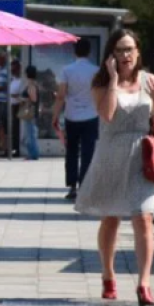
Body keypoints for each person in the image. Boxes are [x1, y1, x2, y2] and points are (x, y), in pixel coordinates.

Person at [75, 29, 154, 306]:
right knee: (111, 217)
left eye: (129, 49)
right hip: (112, 154)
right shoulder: (101, 82)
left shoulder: (150, 81)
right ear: (111, 55)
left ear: (138, 52)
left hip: (141, 156)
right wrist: (113, 79)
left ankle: (144, 283)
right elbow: (108, 114)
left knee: (144, 216)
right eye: (119, 50)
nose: (125, 55)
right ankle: (108, 274)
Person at [51, 38, 99, 200]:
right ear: (89, 52)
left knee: (71, 151)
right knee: (88, 152)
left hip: (72, 116)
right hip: (91, 116)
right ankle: (84, 186)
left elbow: (61, 96)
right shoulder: (96, 71)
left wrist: (55, 115)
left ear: (74, 51)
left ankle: (72, 187)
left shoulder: (67, 70)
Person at [21, 65, 40, 161]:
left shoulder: (31, 85)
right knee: (30, 134)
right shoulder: (32, 84)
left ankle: (33, 154)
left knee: (30, 134)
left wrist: (23, 99)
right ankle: (32, 154)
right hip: (31, 113)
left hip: (30, 113)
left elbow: (33, 98)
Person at [8, 59, 25, 158]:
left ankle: (18, 149)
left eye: (15, 69)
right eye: (12, 69)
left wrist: (16, 95)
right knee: (13, 129)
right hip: (12, 105)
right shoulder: (13, 79)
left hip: (19, 105)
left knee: (18, 129)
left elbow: (23, 94)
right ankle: (14, 147)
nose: (13, 71)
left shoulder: (22, 80)